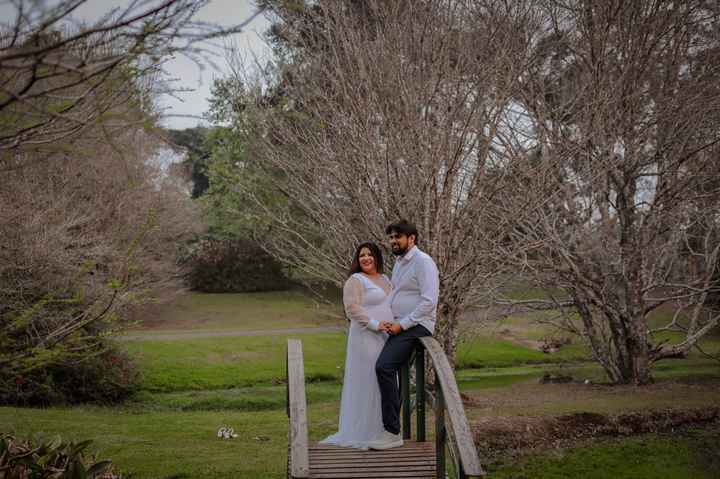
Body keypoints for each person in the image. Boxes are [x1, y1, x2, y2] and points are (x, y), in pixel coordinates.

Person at [368, 220, 439, 450]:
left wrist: (403, 325)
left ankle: (392, 433)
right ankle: (391, 426)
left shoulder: (423, 262)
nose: (393, 242)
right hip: (399, 324)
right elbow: (396, 294)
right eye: (390, 238)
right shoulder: (399, 263)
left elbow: (429, 302)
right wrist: (385, 319)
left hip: (418, 325)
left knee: (384, 367)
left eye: (397, 237)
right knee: (391, 371)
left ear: (412, 238)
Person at [320, 242, 394, 449]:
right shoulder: (355, 280)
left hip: (387, 337)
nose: (366, 258)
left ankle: (385, 429)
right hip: (365, 336)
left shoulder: (386, 279)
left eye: (370, 254)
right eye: (362, 255)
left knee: (385, 380)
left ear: (377, 257)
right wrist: (375, 324)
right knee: (368, 378)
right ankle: (364, 431)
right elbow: (351, 308)